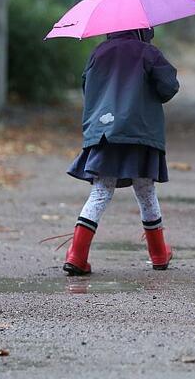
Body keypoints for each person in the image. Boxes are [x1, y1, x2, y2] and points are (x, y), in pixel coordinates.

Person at [63, 28, 180, 276]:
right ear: (141, 29)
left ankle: (77, 255)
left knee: (100, 192)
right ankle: (159, 254)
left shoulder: (98, 53)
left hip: (105, 133)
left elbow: (87, 87)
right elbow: (169, 87)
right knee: (146, 192)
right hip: (140, 133)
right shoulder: (148, 53)